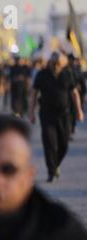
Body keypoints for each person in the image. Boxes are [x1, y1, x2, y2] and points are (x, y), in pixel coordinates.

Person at [29, 52, 84, 182]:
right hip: (46, 114)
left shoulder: (67, 74)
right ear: (50, 63)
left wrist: (79, 111)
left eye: (58, 63)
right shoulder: (42, 74)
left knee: (64, 144)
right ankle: (51, 171)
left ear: (63, 63)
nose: (55, 66)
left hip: (63, 114)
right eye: (53, 63)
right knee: (49, 143)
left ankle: (56, 163)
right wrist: (31, 113)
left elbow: (74, 93)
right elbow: (34, 94)